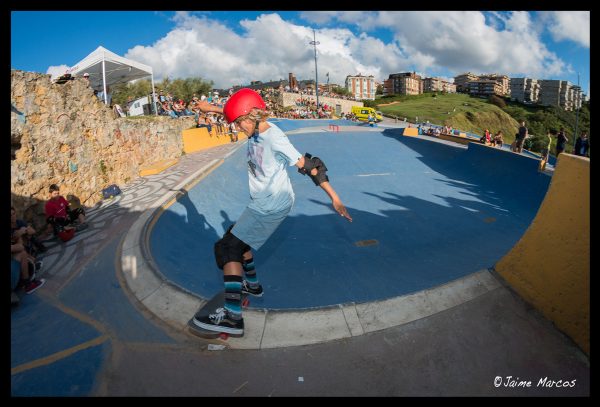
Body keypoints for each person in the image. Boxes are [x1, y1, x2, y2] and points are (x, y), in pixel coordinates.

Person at [191, 89, 352, 336]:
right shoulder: (251, 123)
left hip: (272, 205)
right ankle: (252, 286)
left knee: (226, 249)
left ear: (252, 117)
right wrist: (209, 108)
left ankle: (232, 318)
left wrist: (335, 197)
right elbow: (231, 111)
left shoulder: (275, 138)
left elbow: (309, 166)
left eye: (239, 123)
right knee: (236, 236)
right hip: (263, 202)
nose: (237, 128)